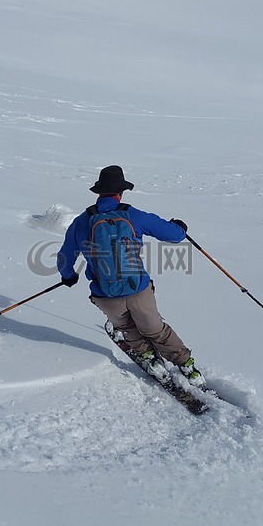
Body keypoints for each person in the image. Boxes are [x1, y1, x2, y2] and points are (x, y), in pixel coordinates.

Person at [56, 165, 205, 386]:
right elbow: (174, 235)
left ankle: (147, 357)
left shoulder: (82, 221)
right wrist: (180, 227)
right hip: (138, 290)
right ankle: (186, 365)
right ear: (120, 192)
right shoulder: (131, 215)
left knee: (126, 327)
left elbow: (65, 256)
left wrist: (68, 276)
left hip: (105, 294)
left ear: (99, 192)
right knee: (155, 329)